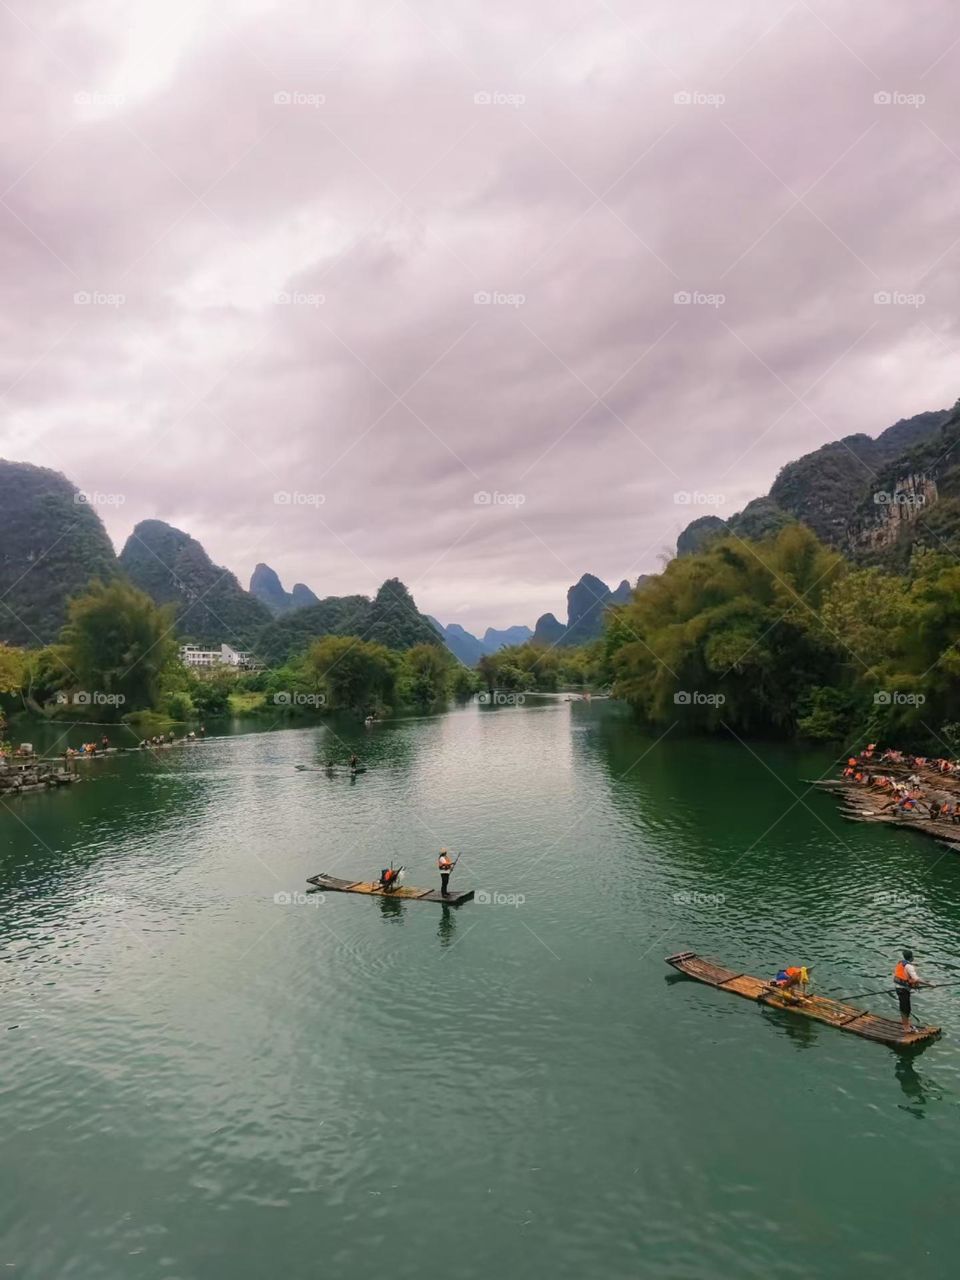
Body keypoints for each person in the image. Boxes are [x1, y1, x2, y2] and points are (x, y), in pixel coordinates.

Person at [893, 948, 929, 1030]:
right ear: (911, 957)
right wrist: (930, 984)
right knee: (905, 1009)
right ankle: (906, 1027)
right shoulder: (909, 967)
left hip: (898, 988)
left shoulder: (901, 963)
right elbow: (916, 979)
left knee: (905, 1008)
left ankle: (906, 1024)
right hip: (903, 990)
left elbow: (905, 977)